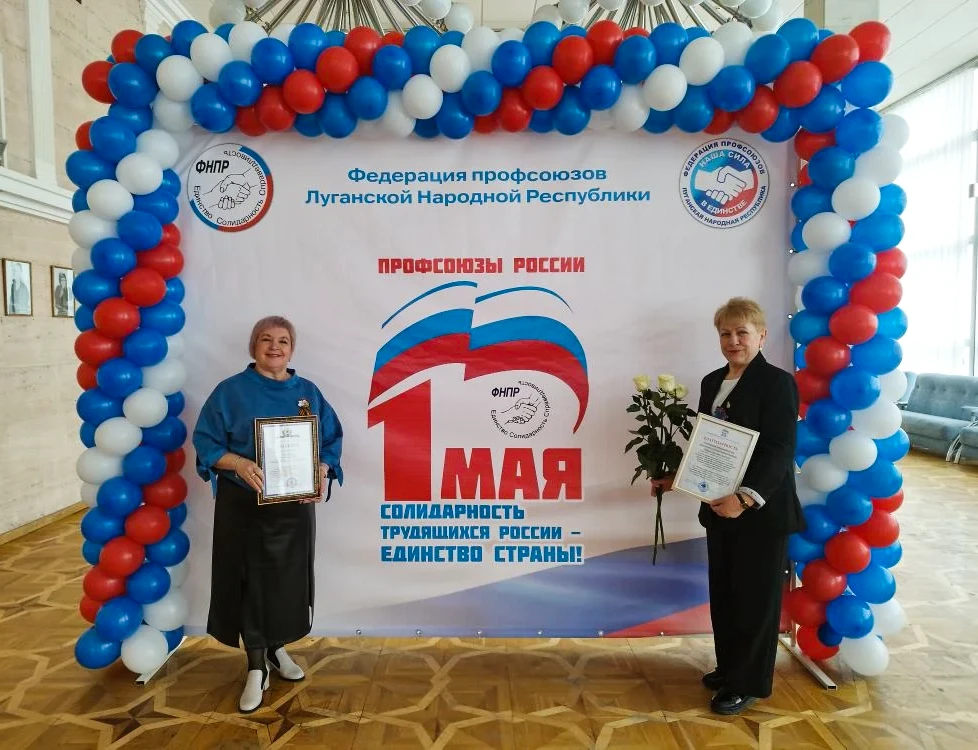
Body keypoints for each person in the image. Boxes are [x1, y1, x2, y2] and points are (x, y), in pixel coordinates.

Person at [652, 297, 804, 715]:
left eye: (742, 333)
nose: (733, 341)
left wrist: (745, 498)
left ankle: (748, 682)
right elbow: (706, 446)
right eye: (725, 333)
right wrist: (678, 477)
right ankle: (730, 667)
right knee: (726, 595)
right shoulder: (711, 382)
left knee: (755, 600)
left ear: (762, 336)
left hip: (759, 512)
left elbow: (779, 450)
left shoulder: (777, 383)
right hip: (718, 509)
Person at [192, 316, 343, 714]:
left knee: (286, 583)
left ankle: (276, 649)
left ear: (292, 349)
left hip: (293, 509)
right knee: (250, 583)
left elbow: (330, 439)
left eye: (283, 341)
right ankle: (255, 665)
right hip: (243, 506)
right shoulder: (230, 392)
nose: (275, 347)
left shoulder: (307, 392)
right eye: (266, 339)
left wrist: (322, 468)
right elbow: (205, 442)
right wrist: (238, 463)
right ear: (253, 346)